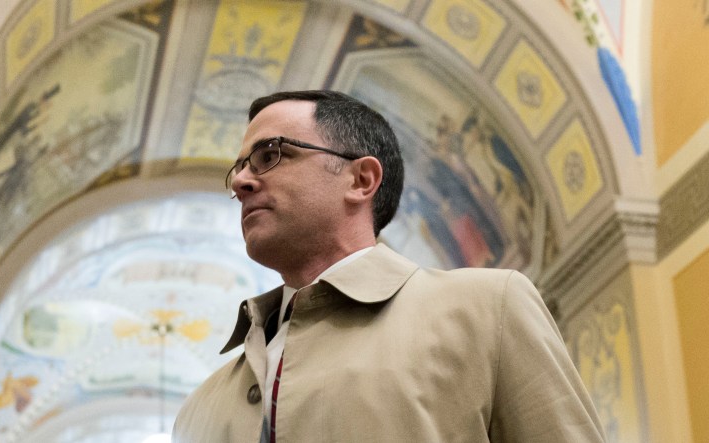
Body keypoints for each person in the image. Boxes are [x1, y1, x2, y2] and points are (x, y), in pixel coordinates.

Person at [172, 90, 605, 442]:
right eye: (239, 169)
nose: (241, 181)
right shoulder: (198, 408)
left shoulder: (488, 309)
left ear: (361, 180)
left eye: (269, 155)